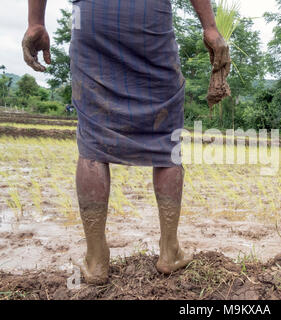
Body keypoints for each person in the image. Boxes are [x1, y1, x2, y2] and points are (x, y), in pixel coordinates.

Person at [23, 0, 231, 284]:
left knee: (93, 138)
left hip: (91, 18)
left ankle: (96, 260)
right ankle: (169, 251)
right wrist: (209, 26)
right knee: (165, 139)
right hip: (149, 17)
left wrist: (36, 22)